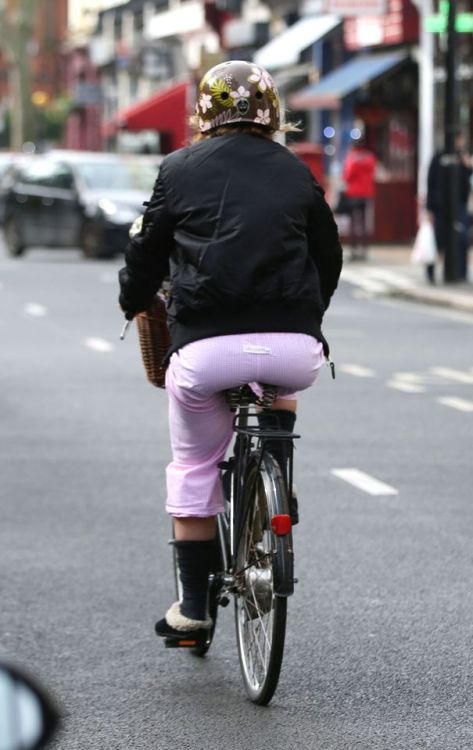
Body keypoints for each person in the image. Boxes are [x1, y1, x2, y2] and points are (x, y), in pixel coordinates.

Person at [118, 60, 343, 640]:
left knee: (194, 466)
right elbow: (329, 254)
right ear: (273, 115)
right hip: (292, 348)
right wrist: (307, 319)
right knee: (280, 387)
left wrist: (133, 301)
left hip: (206, 350)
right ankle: (278, 484)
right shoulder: (295, 172)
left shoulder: (178, 168)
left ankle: (193, 610)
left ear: (203, 115)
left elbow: (146, 255)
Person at [426, 131, 472, 283]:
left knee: (461, 240)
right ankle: (431, 272)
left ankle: (461, 273)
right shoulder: (439, 157)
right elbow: (431, 182)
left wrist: (468, 167)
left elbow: (468, 182)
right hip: (440, 207)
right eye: (459, 139)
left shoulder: (462, 158)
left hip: (459, 206)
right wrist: (429, 207)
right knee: (438, 240)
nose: (461, 142)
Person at [342, 136, 376, 261]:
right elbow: (372, 172)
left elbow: (347, 175)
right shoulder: (370, 157)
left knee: (353, 223)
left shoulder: (352, 157)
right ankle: (364, 250)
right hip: (366, 193)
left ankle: (354, 250)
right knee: (364, 222)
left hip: (353, 193)